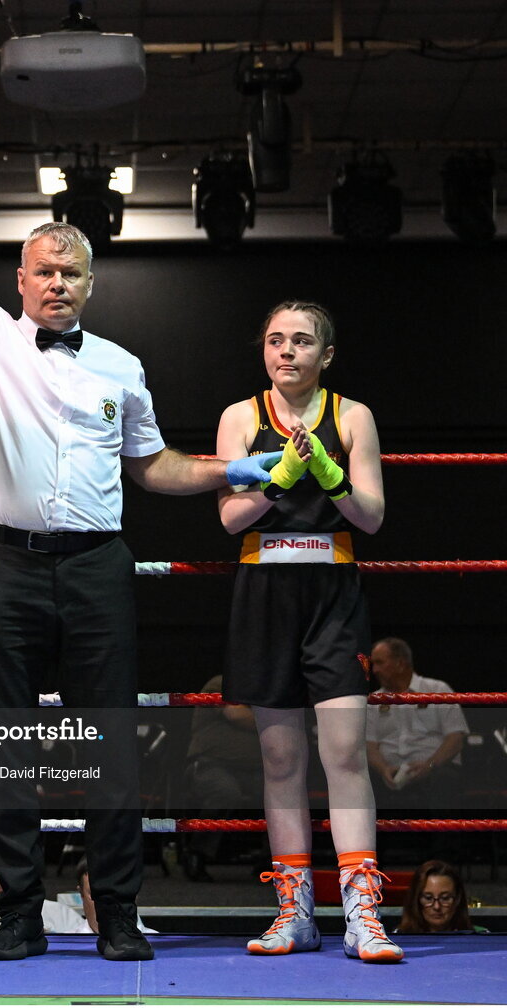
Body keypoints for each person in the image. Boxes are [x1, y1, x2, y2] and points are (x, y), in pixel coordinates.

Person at [0, 167, 278, 962]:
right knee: (11, 742)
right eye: (44, 271)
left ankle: (116, 910)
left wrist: (228, 472)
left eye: (71, 273)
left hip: (96, 567)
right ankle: (17, 911)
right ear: (20, 279)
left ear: (91, 283)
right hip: (0, 562)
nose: (57, 284)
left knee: (113, 743)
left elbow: (152, 466)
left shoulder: (121, 367)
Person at [216, 300, 403, 963]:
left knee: (346, 752)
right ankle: (293, 914)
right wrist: (280, 478)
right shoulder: (240, 417)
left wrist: (330, 476)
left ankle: (364, 915)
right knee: (281, 759)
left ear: (326, 355)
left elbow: (373, 516)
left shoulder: (353, 416)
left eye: (301, 341)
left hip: (333, 593)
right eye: (274, 340)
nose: (286, 351)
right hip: (263, 589)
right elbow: (231, 519)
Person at [365, 637, 468, 819]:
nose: (375, 670)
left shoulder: (437, 689)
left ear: (400, 663)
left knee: (445, 779)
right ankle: (374, 847)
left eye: (380, 663)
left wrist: (429, 765)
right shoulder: (374, 700)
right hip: (389, 773)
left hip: (434, 768)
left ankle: (445, 848)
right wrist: (383, 769)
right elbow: (369, 746)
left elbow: (456, 738)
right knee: (360, 779)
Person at [180, 674, 264, 882]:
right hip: (210, 764)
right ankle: (195, 853)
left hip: (254, 769)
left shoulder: (264, 688)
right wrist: (274, 720)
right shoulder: (220, 684)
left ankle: (272, 861)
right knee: (225, 792)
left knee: (282, 795)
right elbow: (236, 715)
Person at [395, 859, 488, 934]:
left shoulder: (482, 936)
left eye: (445, 898)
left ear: (458, 900)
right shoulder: (397, 939)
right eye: (428, 898)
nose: (437, 907)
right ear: (416, 900)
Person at [74, 858, 156, 936]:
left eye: (116, 893)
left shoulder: (163, 947)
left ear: (134, 893)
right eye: (97, 894)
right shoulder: (63, 947)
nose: (106, 904)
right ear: (81, 894)